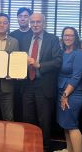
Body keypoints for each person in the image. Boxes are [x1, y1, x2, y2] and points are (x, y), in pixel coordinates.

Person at [20, 13, 62, 152]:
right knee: (27, 118)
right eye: (32, 22)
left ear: (44, 23)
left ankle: (44, 147)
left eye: (38, 22)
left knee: (44, 120)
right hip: (27, 84)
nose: (35, 25)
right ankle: (29, 147)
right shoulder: (25, 38)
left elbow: (57, 61)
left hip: (44, 85)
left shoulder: (53, 39)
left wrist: (39, 65)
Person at [57, 27, 82, 152]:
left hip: (72, 93)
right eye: (65, 35)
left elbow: (76, 76)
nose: (67, 38)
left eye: (71, 35)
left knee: (72, 125)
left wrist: (65, 94)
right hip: (61, 91)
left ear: (75, 38)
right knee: (66, 125)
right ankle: (69, 150)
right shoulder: (62, 52)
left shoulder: (78, 54)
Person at [9, 7, 33, 122]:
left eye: (25, 16)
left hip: (30, 77)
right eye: (20, 16)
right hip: (14, 77)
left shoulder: (35, 34)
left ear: (30, 18)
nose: (23, 19)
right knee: (15, 106)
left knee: (28, 110)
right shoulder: (12, 35)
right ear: (17, 18)